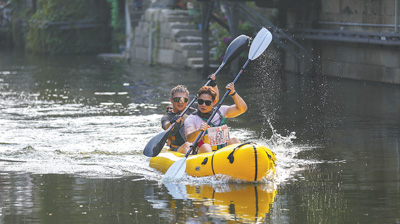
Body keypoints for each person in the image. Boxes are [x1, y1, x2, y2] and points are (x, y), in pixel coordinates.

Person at [161, 74, 218, 154]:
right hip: (178, 149)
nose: (180, 102)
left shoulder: (195, 108)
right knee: (187, 144)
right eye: (177, 99)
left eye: (184, 99)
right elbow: (166, 126)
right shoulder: (167, 116)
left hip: (197, 146)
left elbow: (212, 101)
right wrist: (172, 122)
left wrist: (213, 84)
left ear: (187, 101)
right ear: (171, 100)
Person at [184, 82, 247, 154]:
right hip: (203, 154)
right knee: (206, 147)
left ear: (214, 103)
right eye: (201, 101)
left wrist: (233, 93)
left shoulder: (221, 111)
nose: (203, 105)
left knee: (234, 140)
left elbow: (242, 109)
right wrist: (198, 130)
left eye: (207, 103)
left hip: (223, 152)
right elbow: (189, 138)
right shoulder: (192, 118)